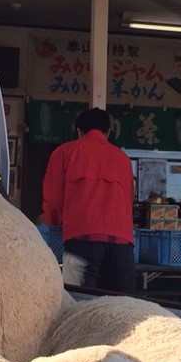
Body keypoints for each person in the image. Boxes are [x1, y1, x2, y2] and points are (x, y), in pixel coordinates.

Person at [41, 107, 137, 291]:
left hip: (81, 240)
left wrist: (55, 224)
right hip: (122, 243)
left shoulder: (65, 153)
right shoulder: (122, 158)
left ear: (78, 131)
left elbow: (52, 198)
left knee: (80, 306)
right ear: (107, 132)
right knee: (123, 311)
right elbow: (129, 199)